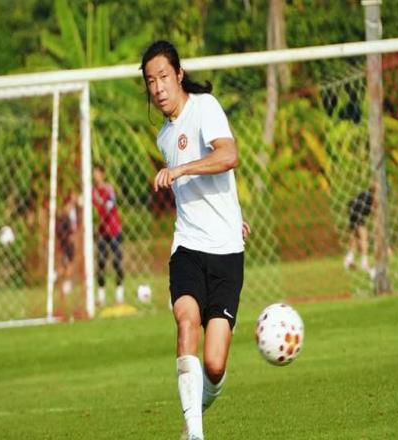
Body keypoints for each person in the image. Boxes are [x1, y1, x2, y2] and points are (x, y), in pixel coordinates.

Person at [141, 40, 251, 440]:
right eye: (150, 81)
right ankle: (197, 436)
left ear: (179, 75)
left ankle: (192, 423)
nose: (158, 87)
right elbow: (195, 195)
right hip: (187, 248)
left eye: (163, 77)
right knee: (187, 322)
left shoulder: (205, 108)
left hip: (226, 253)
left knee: (215, 365)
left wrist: (184, 171)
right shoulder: (163, 136)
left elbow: (229, 155)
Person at [92, 164, 124, 305]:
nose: (95, 176)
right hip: (102, 232)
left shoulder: (108, 189)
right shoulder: (92, 192)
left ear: (102, 174)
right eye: (94, 173)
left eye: (97, 173)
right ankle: (101, 296)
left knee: (117, 262)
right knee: (100, 263)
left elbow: (110, 204)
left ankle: (119, 295)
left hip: (114, 230)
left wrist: (103, 206)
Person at [344, 184, 376, 278]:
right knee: (364, 237)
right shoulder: (367, 197)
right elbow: (373, 212)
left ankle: (349, 260)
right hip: (356, 212)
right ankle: (364, 262)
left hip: (353, 211)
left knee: (355, 237)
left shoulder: (368, 196)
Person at [55, 191, 78, 296]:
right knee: (67, 264)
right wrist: (69, 236)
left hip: (68, 242)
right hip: (67, 243)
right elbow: (62, 231)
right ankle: (56, 276)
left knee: (68, 264)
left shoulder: (71, 212)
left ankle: (64, 283)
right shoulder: (65, 216)